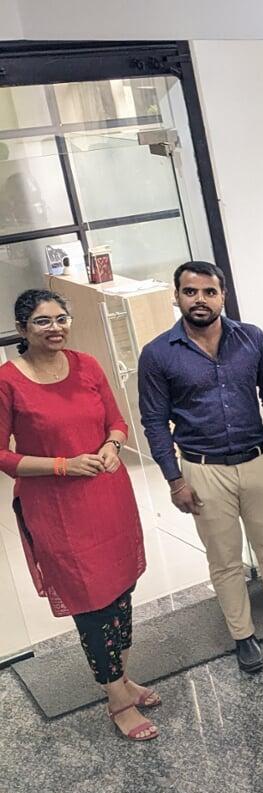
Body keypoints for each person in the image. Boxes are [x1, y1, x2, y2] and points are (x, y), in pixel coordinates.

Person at [137, 261, 263, 674]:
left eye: (209, 292)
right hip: (203, 469)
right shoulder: (157, 354)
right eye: (190, 292)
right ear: (177, 296)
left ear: (222, 295)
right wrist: (174, 479)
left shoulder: (251, 338)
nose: (200, 300)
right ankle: (243, 636)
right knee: (224, 560)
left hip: (259, 461)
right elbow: (153, 422)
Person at [1, 290, 155, 740]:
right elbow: (2, 455)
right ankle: (117, 700)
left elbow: (117, 421)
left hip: (108, 496)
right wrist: (62, 465)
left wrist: (111, 445)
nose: (55, 328)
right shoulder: (8, 381)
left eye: (61, 319)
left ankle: (123, 678)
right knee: (91, 603)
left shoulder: (86, 365)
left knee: (121, 590)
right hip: (56, 509)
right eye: (42, 321)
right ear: (22, 328)